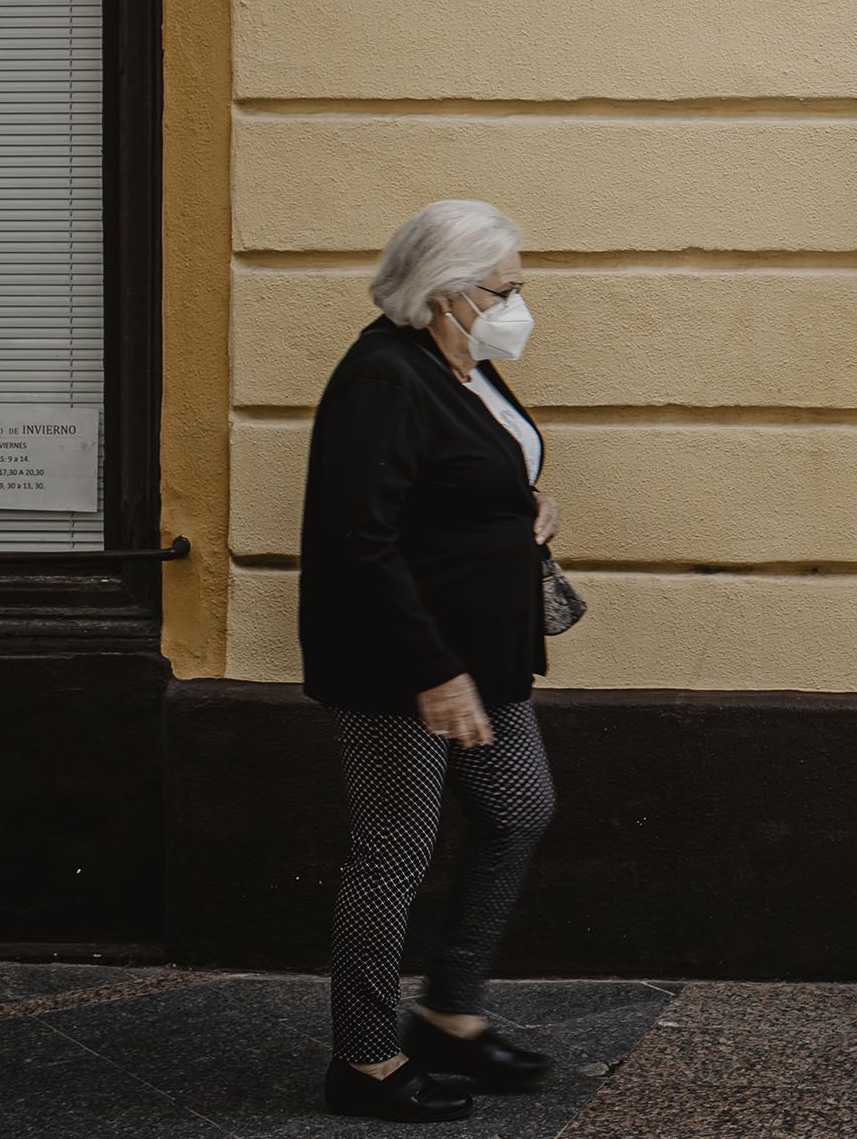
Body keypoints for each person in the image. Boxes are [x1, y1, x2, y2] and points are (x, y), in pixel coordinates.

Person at [299, 199, 562, 1122]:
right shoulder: (384, 376)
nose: (516, 304)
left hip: (482, 654)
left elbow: (472, 471)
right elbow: (355, 538)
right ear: (444, 293)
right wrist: (433, 672)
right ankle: (364, 1062)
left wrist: (531, 504)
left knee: (520, 807)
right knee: (392, 855)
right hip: (400, 666)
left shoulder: (465, 365)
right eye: (503, 288)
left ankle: (447, 1014)